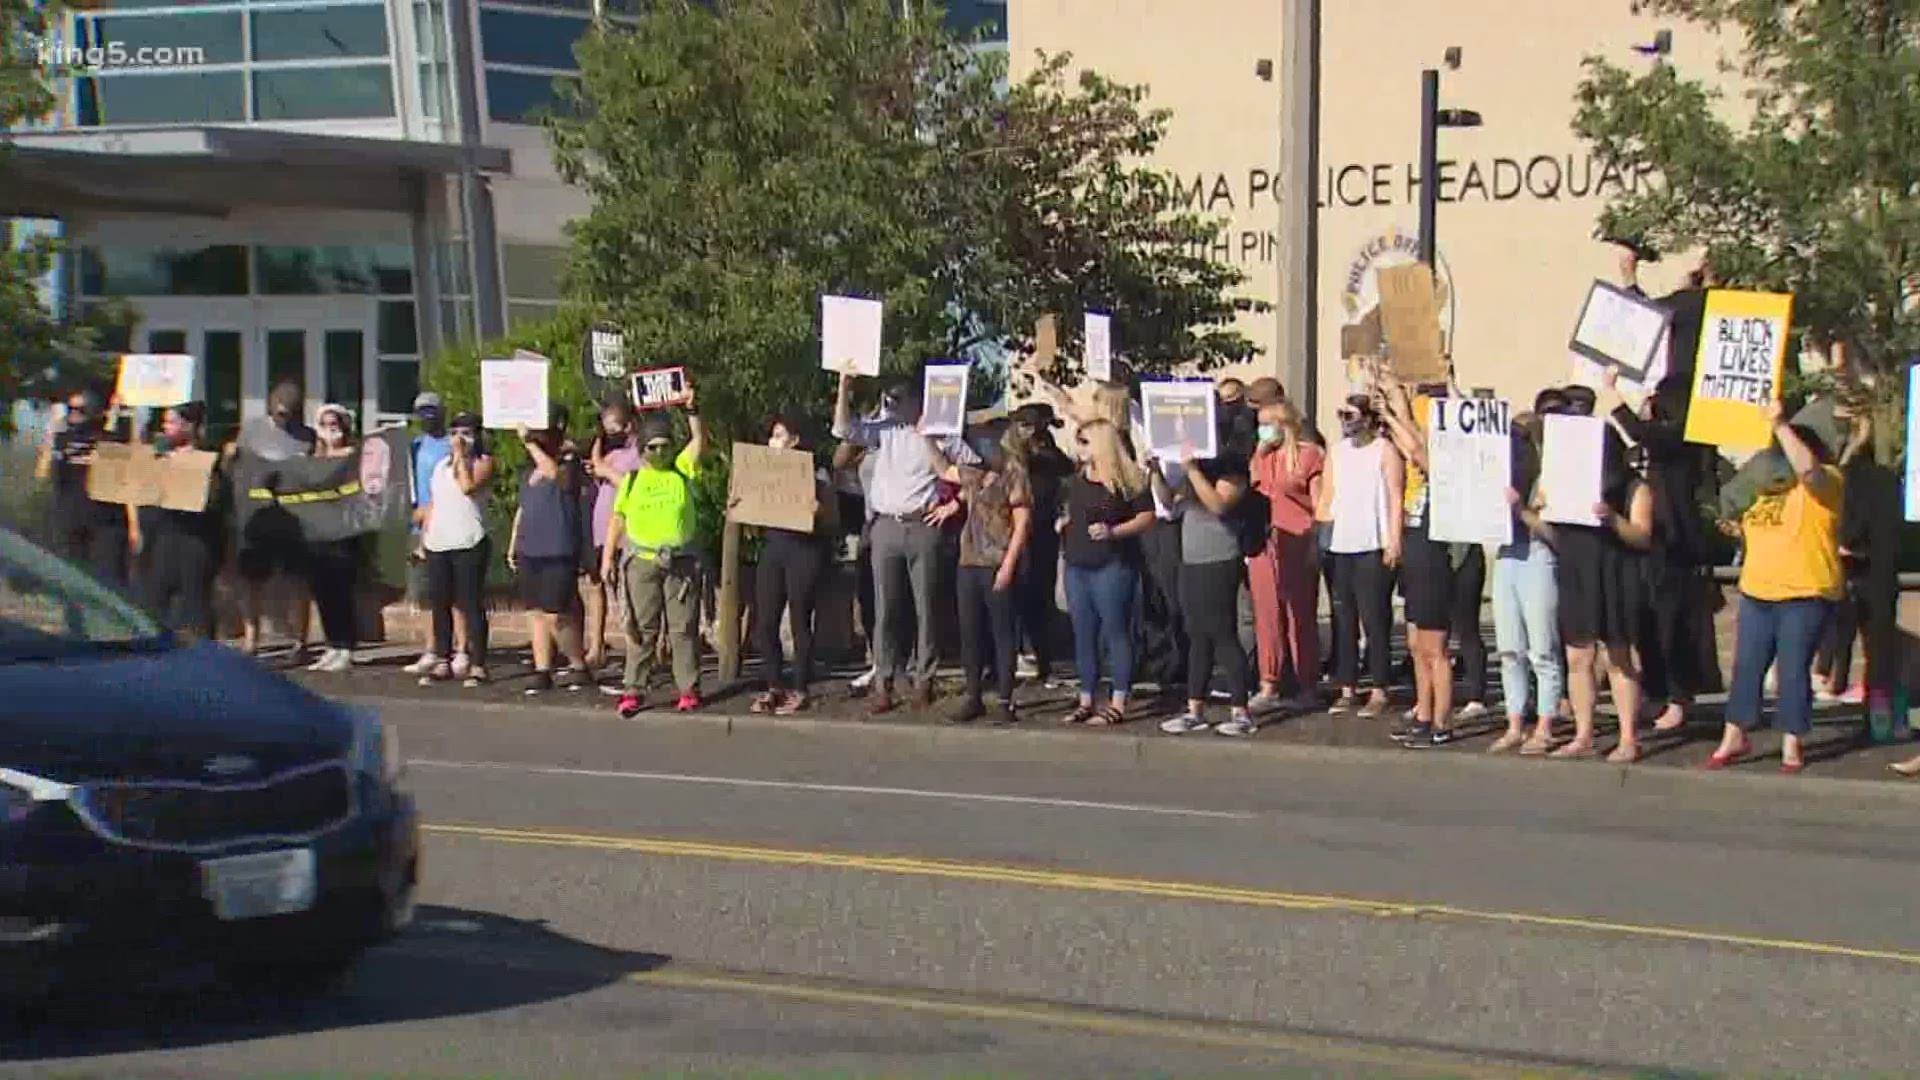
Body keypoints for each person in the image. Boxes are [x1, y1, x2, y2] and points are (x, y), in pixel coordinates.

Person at [1705, 406, 1844, 774]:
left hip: (1805, 591)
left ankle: (1791, 742)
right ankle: (1734, 734)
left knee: (1792, 670)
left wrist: (1781, 424)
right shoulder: (1765, 486)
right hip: (1758, 590)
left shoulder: (1827, 481)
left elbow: (1809, 471)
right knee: (1747, 667)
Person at [830, 371, 975, 714]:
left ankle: (924, 679)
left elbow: (976, 470)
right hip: (885, 526)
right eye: (887, 400)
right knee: (886, 609)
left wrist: (955, 504)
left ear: (915, 402)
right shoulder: (885, 428)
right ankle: (884, 681)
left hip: (922, 525)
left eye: (896, 400)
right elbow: (844, 430)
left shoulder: (941, 432)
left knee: (926, 608)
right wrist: (844, 385)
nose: (890, 406)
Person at [1525, 420, 1654, 761]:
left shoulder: (1632, 487)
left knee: (1618, 656)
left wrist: (1612, 519)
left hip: (1615, 572)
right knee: (1577, 656)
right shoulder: (1564, 486)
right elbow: (1552, 534)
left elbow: (1643, 536)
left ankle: (1628, 737)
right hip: (1576, 571)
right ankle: (1584, 734)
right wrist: (1522, 511)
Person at [1599, 369, 1715, 731]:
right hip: (1647, 545)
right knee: (1647, 625)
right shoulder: (1650, 447)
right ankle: (1657, 693)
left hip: (1674, 545)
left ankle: (1679, 697)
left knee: (1673, 625)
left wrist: (1611, 393)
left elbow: (1641, 432)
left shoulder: (1682, 439)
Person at [602, 386, 707, 718]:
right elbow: (617, 520)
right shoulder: (632, 481)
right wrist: (607, 559)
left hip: (680, 563)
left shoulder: (679, 470)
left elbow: (699, 442)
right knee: (642, 630)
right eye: (653, 447)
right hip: (642, 562)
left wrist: (692, 411)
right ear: (642, 449)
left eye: (665, 445)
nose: (660, 452)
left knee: (682, 629)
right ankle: (634, 688)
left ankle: (688, 689)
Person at [925, 418, 1032, 724]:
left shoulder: (1014, 474)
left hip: (997, 560)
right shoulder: (975, 473)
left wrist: (1009, 566)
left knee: (1002, 632)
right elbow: (944, 470)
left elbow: (1022, 523)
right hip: (969, 560)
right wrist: (927, 439)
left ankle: (1004, 698)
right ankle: (973, 695)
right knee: (970, 632)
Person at [1156, 420, 1257, 736]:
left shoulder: (1232, 469)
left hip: (1219, 559)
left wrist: (1192, 469)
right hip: (1191, 560)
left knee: (1222, 634)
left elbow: (1218, 504)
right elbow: (1170, 502)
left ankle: (1241, 712)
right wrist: (1155, 471)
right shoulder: (1193, 472)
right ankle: (1194, 709)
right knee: (1196, 634)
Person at [1059, 419, 1155, 725]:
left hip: (1112, 564)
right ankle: (1086, 697)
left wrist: (1114, 531)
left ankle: (1118, 700)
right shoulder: (1076, 479)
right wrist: (1063, 522)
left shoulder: (1127, 481)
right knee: (1083, 633)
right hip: (1077, 563)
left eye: (1085, 441)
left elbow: (1147, 517)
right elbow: (1070, 509)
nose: (1080, 448)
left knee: (1115, 630)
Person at [1317, 393, 1403, 718]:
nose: (1345, 421)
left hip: (1373, 543)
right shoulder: (1337, 453)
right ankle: (1347, 686)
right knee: (1343, 618)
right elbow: (1327, 495)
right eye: (1341, 415)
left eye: (1350, 415)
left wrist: (1394, 540)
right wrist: (1320, 537)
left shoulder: (1385, 450)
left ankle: (1380, 688)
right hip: (1341, 543)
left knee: (1375, 618)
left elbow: (1395, 496)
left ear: (1368, 419)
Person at [747, 416, 839, 715]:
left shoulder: (816, 473)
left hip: (804, 550)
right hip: (774, 549)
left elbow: (833, 521)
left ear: (795, 440)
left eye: (779, 435)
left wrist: (819, 510)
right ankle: (774, 684)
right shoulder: (765, 472)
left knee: (800, 619)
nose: (773, 441)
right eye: (771, 436)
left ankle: (800, 688)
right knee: (766, 621)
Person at [1488, 397, 1562, 754]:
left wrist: (1520, 510)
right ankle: (1515, 721)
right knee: (1509, 648)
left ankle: (1546, 724)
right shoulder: (1501, 475)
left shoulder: (1548, 480)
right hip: (1507, 556)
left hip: (1536, 556)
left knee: (1542, 648)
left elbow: (1554, 533)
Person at [1247, 398, 1324, 705]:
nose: (1263, 430)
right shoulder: (1262, 457)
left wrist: (1316, 543)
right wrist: (1259, 453)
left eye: (1268, 424)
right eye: (1260, 424)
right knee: (1267, 613)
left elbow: (1319, 505)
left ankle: (1307, 682)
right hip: (1265, 542)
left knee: (1300, 614)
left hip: (1299, 538)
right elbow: (1252, 491)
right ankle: (1269, 680)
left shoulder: (1310, 456)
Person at [511, 404, 591, 695]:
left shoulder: (568, 459)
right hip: (530, 546)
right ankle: (542, 669)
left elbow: (555, 474)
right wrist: (514, 541)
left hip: (558, 545)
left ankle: (577, 664)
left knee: (557, 613)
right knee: (535, 612)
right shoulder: (527, 465)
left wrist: (530, 442)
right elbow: (524, 505)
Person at [233, 381, 317, 657]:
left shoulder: (307, 437)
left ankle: (300, 640)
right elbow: (235, 468)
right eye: (279, 412)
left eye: (287, 412)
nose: (283, 417)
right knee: (251, 579)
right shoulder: (251, 431)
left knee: (298, 580)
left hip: (293, 517)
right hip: (256, 515)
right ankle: (251, 637)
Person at [132, 402, 222, 640]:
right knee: (155, 601)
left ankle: (205, 655)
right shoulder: (157, 454)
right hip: (160, 537)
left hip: (195, 540)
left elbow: (217, 501)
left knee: (196, 601)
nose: (165, 427)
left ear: (189, 426)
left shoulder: (208, 458)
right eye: (164, 422)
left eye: (171, 422)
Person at [418, 411, 495, 689]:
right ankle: (442, 658)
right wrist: (423, 539)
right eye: (454, 433)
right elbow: (433, 504)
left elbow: (467, 486)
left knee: (470, 603)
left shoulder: (483, 463)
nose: (458, 439)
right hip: (440, 541)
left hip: (469, 540)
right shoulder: (440, 467)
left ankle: (478, 663)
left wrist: (462, 457)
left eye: (466, 433)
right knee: (440, 604)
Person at [404, 392, 471, 679]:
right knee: (428, 595)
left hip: (446, 520)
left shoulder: (451, 444)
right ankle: (432, 649)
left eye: (432, 411)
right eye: (422, 412)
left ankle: (462, 649)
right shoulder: (414, 446)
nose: (426, 416)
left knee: (455, 595)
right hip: (419, 523)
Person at [1009, 403, 1071, 685]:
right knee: (1018, 591)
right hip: (1016, 529)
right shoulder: (1013, 449)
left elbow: (1064, 467)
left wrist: (1041, 442)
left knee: (1041, 595)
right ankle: (1022, 649)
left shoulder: (1048, 451)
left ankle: (1042, 656)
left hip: (1043, 530)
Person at [303, 404, 365, 673]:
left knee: (341, 589)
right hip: (317, 531)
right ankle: (332, 644)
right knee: (322, 589)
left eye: (334, 425)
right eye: (324, 425)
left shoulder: (352, 456)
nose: (329, 431)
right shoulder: (314, 457)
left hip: (343, 531)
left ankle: (346, 646)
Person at [46, 388, 129, 585]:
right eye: (70, 408)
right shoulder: (63, 438)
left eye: (81, 409)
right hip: (72, 518)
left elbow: (120, 450)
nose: (74, 414)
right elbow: (58, 478)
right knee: (73, 578)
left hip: (105, 522)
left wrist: (118, 415)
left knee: (106, 580)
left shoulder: (109, 437)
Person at [585, 400, 641, 679]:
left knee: (627, 595)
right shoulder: (612, 453)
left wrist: (606, 472)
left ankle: (637, 650)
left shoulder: (639, 453)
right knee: (598, 586)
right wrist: (597, 452)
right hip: (601, 531)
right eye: (606, 430)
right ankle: (596, 645)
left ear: (629, 425)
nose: (610, 434)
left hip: (625, 533)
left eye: (614, 428)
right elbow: (598, 467)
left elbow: (634, 486)